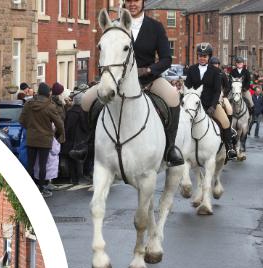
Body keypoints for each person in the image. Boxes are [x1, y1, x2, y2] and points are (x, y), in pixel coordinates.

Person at [75, 0, 183, 167]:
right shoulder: (114, 26)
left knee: (173, 97)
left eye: (136, 1)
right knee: (87, 99)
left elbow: (166, 59)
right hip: (117, 80)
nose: (133, 4)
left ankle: (170, 148)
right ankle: (85, 144)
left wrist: (149, 70)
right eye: (129, 1)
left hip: (148, 80)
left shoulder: (155, 27)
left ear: (143, 2)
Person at [184, 44, 236, 161]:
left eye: (205, 56)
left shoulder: (216, 71)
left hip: (210, 104)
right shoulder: (192, 69)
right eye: (200, 55)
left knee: (225, 121)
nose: (202, 58)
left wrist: (213, 106)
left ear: (209, 57)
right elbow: (187, 87)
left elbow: (217, 91)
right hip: (194, 105)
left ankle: (229, 148)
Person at [20, 83, 65, 196]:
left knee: (31, 164)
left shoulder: (28, 104)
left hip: (31, 138)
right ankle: (41, 188)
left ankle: (29, 187)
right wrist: (59, 134)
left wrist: (30, 128)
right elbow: (59, 123)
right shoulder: (50, 106)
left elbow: (21, 120)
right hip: (45, 139)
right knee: (42, 164)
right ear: (47, 93)